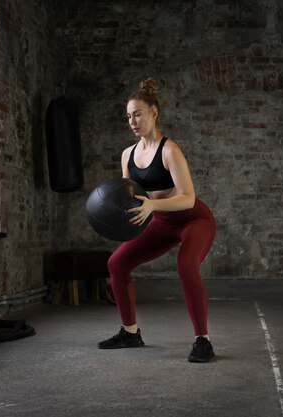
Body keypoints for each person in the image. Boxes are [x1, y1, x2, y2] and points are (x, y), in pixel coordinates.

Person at [98, 78, 217, 363]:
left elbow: (188, 197)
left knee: (187, 265)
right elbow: (129, 198)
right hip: (161, 222)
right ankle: (130, 332)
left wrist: (151, 205)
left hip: (193, 219)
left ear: (153, 112)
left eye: (137, 113)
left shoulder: (169, 150)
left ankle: (204, 340)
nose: (132, 121)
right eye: (128, 116)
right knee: (117, 263)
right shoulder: (127, 155)